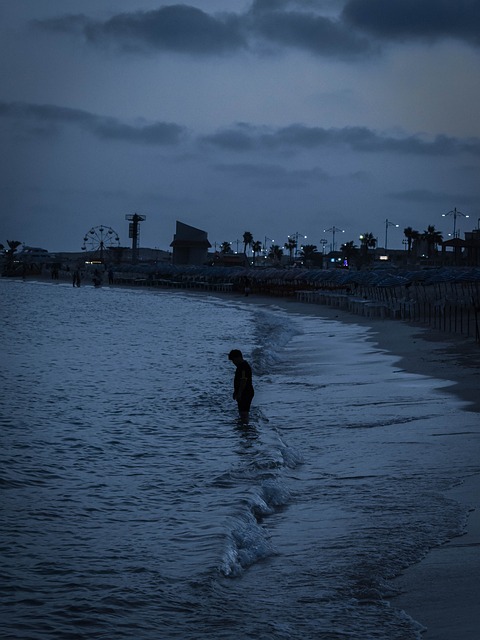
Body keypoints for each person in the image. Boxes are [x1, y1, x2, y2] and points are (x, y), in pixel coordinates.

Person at [228, 349, 254, 422]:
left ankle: (245, 426)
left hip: (246, 392)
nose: (233, 362)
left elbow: (243, 381)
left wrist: (239, 393)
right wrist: (235, 391)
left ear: (238, 357)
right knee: (242, 412)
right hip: (243, 392)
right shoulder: (240, 366)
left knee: (244, 412)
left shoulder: (243, 366)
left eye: (234, 360)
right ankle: (244, 426)